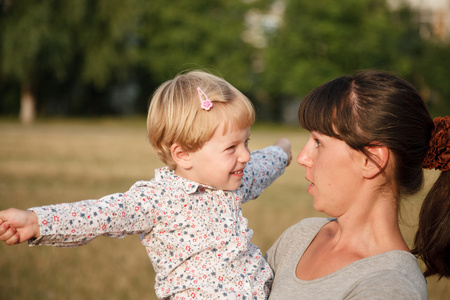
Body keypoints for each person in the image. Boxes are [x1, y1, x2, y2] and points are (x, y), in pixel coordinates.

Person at [0, 70, 292, 299]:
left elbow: (261, 166)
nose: (245, 155)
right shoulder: (156, 200)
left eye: (247, 142)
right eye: (232, 148)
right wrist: (38, 222)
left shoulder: (233, 181)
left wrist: (282, 151)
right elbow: (99, 215)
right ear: (183, 154)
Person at [266, 70, 450, 299]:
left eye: (318, 142)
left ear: (371, 160)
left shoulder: (389, 288)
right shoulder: (300, 237)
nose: (303, 157)